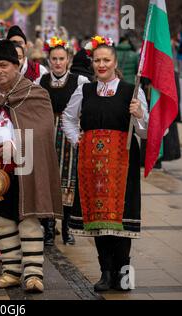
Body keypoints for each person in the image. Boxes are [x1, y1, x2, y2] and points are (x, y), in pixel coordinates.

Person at [0, 40, 63, 293]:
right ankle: (11, 272)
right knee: (3, 221)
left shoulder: (34, 93)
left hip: (24, 169)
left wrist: (15, 145)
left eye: (3, 65)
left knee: (28, 219)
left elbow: (43, 130)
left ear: (16, 65)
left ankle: (34, 274)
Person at [62, 36, 149, 292]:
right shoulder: (85, 90)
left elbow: (145, 132)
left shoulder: (131, 90)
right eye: (97, 60)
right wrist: (76, 138)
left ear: (115, 62)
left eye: (106, 60)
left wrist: (140, 114)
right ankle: (105, 273)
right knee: (99, 220)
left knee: (121, 222)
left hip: (122, 165)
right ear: (92, 62)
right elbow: (68, 117)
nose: (101, 65)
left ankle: (124, 275)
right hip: (93, 165)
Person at [39, 37, 90, 246]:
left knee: (70, 182)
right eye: (54, 59)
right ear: (49, 60)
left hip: (69, 133)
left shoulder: (80, 81)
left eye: (61, 58)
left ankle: (67, 227)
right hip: (47, 133)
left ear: (68, 59)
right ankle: (49, 229)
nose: (57, 63)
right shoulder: (41, 81)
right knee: (48, 181)